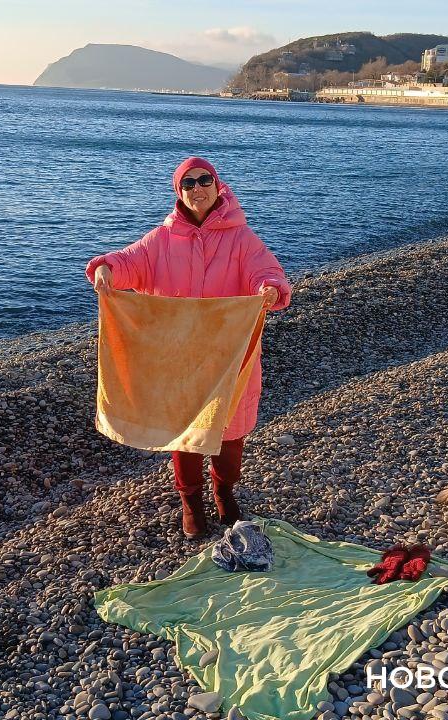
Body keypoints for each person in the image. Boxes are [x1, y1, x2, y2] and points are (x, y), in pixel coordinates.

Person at [86, 157, 292, 539]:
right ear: (179, 193)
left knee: (230, 434)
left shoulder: (241, 238)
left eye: (205, 180)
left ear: (218, 186)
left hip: (229, 356)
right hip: (179, 358)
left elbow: (269, 272)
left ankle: (224, 492)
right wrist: (105, 269)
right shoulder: (163, 239)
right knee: (188, 433)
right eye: (189, 184)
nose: (198, 189)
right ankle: (191, 501)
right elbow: (129, 262)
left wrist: (270, 290)